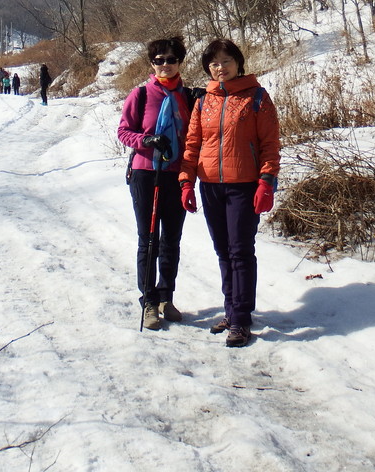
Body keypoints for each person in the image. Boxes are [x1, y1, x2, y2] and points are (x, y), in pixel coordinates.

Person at [179, 39, 280, 347]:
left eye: (225, 61)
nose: (219, 67)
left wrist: (266, 182)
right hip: (210, 185)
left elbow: (270, 146)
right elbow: (192, 145)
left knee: (240, 251)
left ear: (238, 62)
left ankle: (240, 318)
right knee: (223, 250)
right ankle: (231, 309)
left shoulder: (258, 98)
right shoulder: (202, 101)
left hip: (243, 185)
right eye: (213, 64)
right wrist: (186, 182)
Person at [118, 37, 196, 331]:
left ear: (180, 62)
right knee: (148, 240)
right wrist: (146, 140)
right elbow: (124, 131)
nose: (165, 64)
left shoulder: (187, 96)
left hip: (175, 174)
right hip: (146, 173)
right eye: (159, 60)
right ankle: (149, 300)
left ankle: (166, 296)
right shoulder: (140, 94)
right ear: (152, 63)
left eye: (171, 59)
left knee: (171, 240)